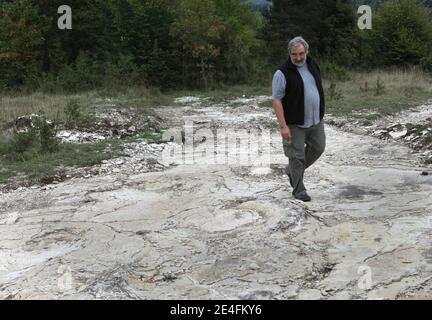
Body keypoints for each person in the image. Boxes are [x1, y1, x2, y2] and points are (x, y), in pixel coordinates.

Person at [272, 36, 326, 202]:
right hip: (294, 123)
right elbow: (276, 100)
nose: (298, 58)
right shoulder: (282, 73)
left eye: (301, 53)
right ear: (289, 54)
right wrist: (283, 126)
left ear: (306, 52)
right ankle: (299, 190)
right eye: (294, 54)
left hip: (316, 120)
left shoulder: (311, 64)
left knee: (318, 147)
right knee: (296, 157)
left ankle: (291, 172)